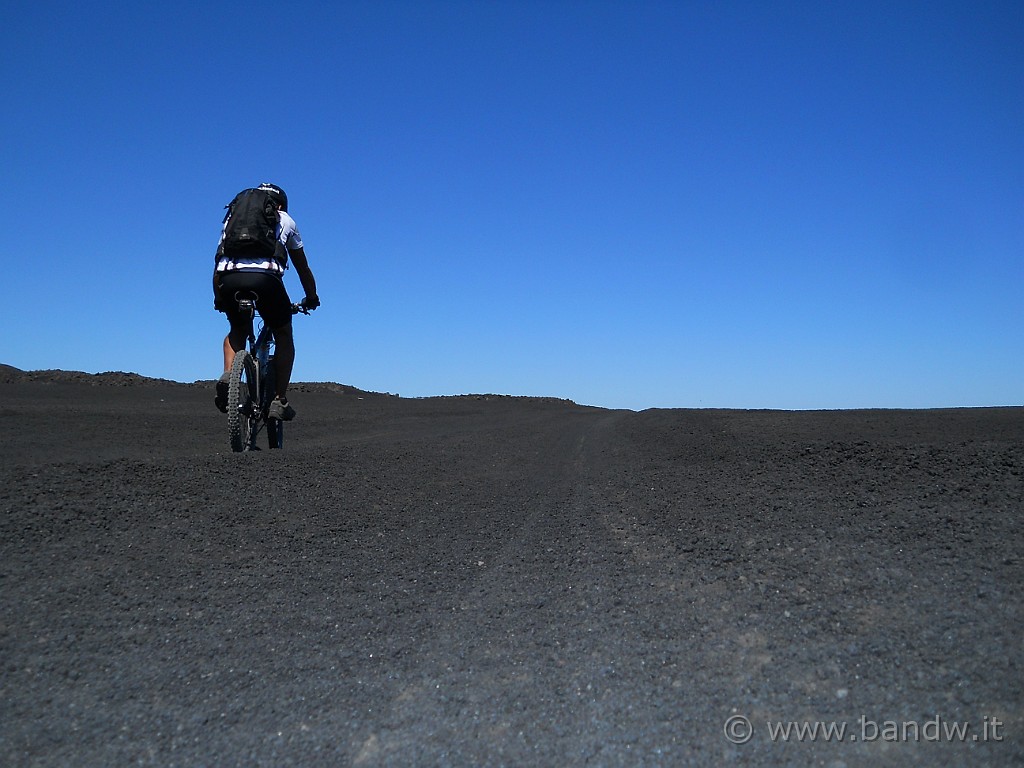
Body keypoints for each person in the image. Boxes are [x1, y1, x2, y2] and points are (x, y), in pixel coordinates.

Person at [213, 183, 319, 420]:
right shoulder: (286, 220)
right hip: (266, 281)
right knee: (283, 334)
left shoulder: (232, 218)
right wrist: (312, 297)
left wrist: (219, 296)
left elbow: (219, 258)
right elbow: (302, 267)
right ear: (279, 204)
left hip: (229, 279)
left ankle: (229, 375)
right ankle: (279, 401)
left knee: (237, 328)